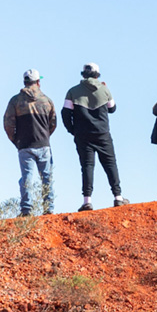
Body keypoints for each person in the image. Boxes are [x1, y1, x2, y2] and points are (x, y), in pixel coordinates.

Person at [62, 63, 128, 211]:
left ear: (83, 74)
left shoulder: (72, 91)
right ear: (97, 75)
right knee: (110, 164)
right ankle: (118, 197)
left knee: (87, 166)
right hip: (103, 133)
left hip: (83, 134)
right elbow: (113, 109)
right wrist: (105, 89)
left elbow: (65, 114)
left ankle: (87, 201)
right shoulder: (104, 89)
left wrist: (72, 130)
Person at [4, 69, 58, 217]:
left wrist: (16, 140)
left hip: (25, 146)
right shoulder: (47, 100)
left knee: (26, 178)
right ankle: (49, 209)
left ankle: (27, 210)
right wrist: (45, 136)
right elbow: (53, 123)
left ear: (24, 82)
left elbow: (8, 123)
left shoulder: (15, 101)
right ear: (38, 82)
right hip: (43, 144)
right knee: (47, 177)